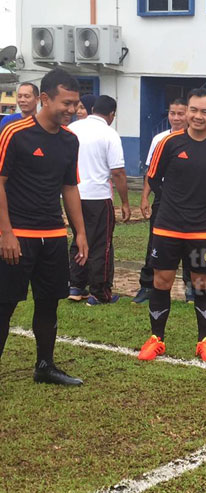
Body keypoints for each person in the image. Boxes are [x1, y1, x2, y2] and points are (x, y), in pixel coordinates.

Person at [0, 68, 89, 386]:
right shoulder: (15, 133)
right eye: (66, 103)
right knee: (5, 303)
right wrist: (6, 232)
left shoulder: (70, 140)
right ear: (45, 99)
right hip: (17, 235)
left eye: (76, 104)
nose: (71, 110)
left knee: (49, 302)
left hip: (52, 235)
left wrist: (79, 232)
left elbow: (70, 187)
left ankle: (45, 366)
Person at [137, 88, 206, 362]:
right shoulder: (169, 143)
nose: (197, 116)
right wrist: (172, 203)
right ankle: (157, 339)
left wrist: (197, 205)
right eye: (193, 110)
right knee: (161, 282)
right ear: (186, 111)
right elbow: (153, 178)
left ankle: (205, 341)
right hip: (167, 225)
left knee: (202, 284)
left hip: (201, 228)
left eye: (204, 111)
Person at [67, 95, 130, 305]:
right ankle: (100, 292)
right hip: (98, 196)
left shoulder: (74, 128)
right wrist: (125, 202)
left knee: (79, 237)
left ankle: (76, 285)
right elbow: (118, 172)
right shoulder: (109, 134)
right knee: (101, 244)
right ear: (111, 114)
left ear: (92, 108)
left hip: (73, 194)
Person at [132, 98, 190, 304]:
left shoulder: (196, 139)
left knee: (190, 244)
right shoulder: (160, 139)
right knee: (155, 242)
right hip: (163, 198)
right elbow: (151, 171)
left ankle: (191, 289)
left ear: (188, 114)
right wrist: (145, 196)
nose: (176, 118)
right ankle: (147, 286)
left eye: (180, 113)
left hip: (190, 199)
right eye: (172, 113)